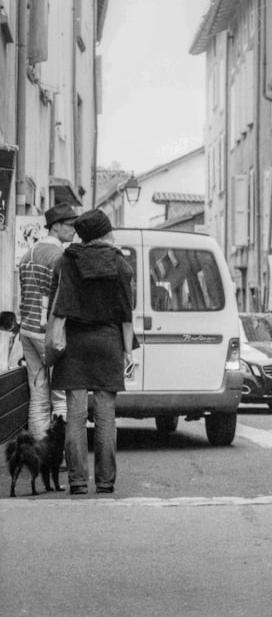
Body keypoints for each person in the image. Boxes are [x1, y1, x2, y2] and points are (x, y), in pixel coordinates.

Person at [50, 210, 136, 496]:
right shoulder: (121, 264)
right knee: (105, 415)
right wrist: (128, 351)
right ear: (104, 233)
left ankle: (76, 481)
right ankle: (105, 481)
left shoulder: (67, 261)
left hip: (74, 342)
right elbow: (126, 314)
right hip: (108, 341)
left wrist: (55, 337)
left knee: (75, 415)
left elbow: (58, 303)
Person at [17, 202, 78, 441]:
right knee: (61, 395)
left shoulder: (27, 254)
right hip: (48, 332)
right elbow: (62, 298)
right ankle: (58, 454)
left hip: (28, 330)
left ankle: (39, 450)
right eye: (70, 225)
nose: (74, 230)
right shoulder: (59, 257)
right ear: (56, 227)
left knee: (38, 393)